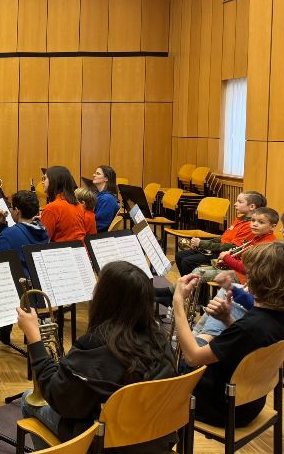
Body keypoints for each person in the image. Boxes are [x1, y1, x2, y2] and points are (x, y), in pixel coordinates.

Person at [19, 261, 176, 449]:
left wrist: (35, 340)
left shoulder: (94, 348)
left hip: (107, 444)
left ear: (105, 300)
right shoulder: (161, 341)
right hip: (155, 440)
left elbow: (58, 398)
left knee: (28, 400)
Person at [173, 241, 284, 428]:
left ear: (257, 279)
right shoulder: (271, 318)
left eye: (249, 272)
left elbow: (193, 357)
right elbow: (250, 344)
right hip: (249, 403)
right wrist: (227, 319)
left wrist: (178, 302)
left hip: (220, 408)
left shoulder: (251, 326)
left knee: (164, 359)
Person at [176, 191, 267, 275]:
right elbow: (223, 238)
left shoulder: (250, 226)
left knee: (187, 262)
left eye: (240, 202)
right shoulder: (240, 219)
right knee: (180, 255)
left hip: (225, 254)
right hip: (218, 250)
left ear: (252, 207)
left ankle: (193, 286)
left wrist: (202, 244)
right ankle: (186, 285)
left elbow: (232, 247)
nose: (235, 204)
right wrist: (202, 243)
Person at [0, 190, 49, 277]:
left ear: (17, 211)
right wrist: (2, 225)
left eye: (11, 207)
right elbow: (14, 244)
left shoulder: (11, 234)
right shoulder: (42, 229)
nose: (10, 210)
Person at [40, 166, 87, 243]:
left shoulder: (52, 207)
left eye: (45, 178)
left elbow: (43, 240)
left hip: (62, 249)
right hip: (80, 248)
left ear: (54, 181)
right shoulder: (78, 205)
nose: (42, 182)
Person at [92, 165, 120, 233]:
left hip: (98, 235)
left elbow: (100, 225)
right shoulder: (99, 194)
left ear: (106, 179)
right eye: (95, 173)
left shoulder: (107, 199)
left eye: (98, 174)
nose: (94, 175)